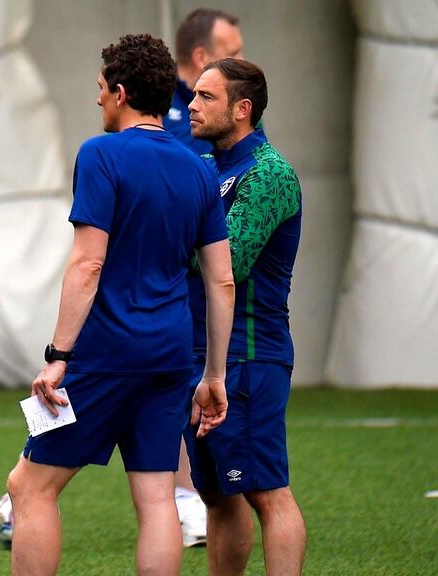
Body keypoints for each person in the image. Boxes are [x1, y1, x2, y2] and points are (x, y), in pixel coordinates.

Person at [4, 34, 235, 575]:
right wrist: (213, 374)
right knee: (158, 500)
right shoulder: (200, 168)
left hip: (106, 353)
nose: (98, 99)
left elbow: (88, 264)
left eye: (101, 89)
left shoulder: (100, 154)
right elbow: (221, 281)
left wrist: (58, 353)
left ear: (122, 92)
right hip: (172, 356)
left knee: (28, 488)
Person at [185, 58, 307, 575]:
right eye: (194, 94)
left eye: (206, 97)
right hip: (204, 357)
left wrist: (156, 240)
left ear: (242, 109)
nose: (191, 104)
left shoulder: (269, 173)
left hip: (249, 357)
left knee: (266, 493)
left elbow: (225, 262)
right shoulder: (210, 167)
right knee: (218, 497)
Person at [165, 6, 245, 548]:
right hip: (147, 285)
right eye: (232, 50)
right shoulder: (175, 125)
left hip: (175, 290)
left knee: (165, 389)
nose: (243, 59)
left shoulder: (224, 134)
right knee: (68, 374)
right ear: (202, 58)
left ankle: (182, 496)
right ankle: (24, 479)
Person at [164, 8, 244, 155]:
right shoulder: (152, 105)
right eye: (233, 53)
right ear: (201, 57)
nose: (242, 60)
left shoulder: (242, 103)